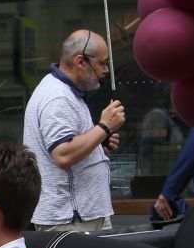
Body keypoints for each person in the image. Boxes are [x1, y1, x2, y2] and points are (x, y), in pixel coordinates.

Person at [25, 29, 125, 232]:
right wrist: (104, 127)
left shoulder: (66, 92)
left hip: (82, 216)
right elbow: (62, 154)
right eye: (103, 63)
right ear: (81, 61)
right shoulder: (58, 98)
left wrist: (99, 143)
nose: (106, 70)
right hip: (70, 220)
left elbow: (70, 144)